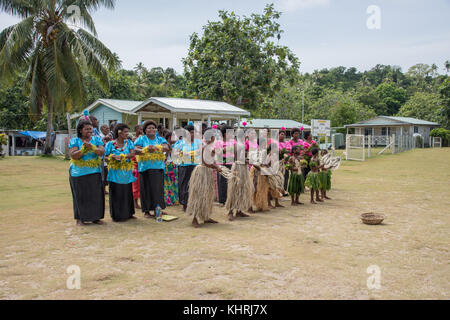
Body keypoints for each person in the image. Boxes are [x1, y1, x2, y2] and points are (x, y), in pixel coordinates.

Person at [68, 120, 105, 226]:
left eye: (91, 129)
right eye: (86, 129)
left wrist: (92, 147)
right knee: (80, 196)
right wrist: (83, 149)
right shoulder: (75, 141)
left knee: (95, 196)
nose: (89, 131)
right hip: (78, 173)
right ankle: (80, 218)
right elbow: (74, 155)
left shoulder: (97, 139)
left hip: (94, 172)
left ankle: (95, 217)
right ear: (80, 130)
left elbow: (102, 152)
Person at [186, 130, 223, 228]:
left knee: (207, 195)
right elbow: (206, 162)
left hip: (207, 172)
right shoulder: (205, 147)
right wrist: (216, 167)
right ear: (211, 138)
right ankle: (195, 218)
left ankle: (205, 216)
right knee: (198, 195)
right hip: (202, 172)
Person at [134, 120, 170, 219]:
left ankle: (157, 210)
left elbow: (166, 147)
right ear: (145, 130)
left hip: (158, 168)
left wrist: (157, 148)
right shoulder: (141, 139)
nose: (151, 129)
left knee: (157, 190)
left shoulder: (160, 139)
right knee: (146, 189)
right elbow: (135, 150)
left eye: (153, 128)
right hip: (145, 168)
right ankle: (146, 212)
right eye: (149, 128)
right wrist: (145, 150)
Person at [104, 124, 137, 222]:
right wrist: (112, 157)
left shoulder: (129, 142)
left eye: (127, 131)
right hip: (115, 172)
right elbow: (105, 157)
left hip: (126, 172)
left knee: (127, 192)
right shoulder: (110, 144)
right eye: (125, 131)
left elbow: (132, 154)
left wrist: (124, 157)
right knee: (117, 193)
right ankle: (117, 215)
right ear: (119, 132)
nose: (127, 133)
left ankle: (129, 213)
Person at [225, 133, 254, 221]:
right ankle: (230, 211)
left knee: (242, 189)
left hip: (243, 168)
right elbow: (236, 158)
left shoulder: (243, 146)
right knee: (234, 189)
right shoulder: (236, 145)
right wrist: (246, 160)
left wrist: (247, 160)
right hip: (237, 168)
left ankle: (239, 210)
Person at [177, 124, 202, 211]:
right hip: (184, 166)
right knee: (184, 185)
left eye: (193, 133)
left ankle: (194, 203)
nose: (192, 134)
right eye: (190, 133)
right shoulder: (180, 142)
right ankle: (185, 204)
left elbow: (201, 150)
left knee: (194, 185)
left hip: (195, 166)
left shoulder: (198, 142)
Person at [215, 125, 235, 206]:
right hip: (222, 164)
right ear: (225, 134)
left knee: (231, 182)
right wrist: (223, 150)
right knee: (222, 182)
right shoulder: (218, 142)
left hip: (231, 164)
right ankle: (223, 200)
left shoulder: (233, 142)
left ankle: (231, 199)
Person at [163, 130, 179, 206]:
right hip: (168, 165)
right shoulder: (165, 145)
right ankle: (169, 200)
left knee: (172, 183)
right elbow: (165, 157)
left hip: (172, 165)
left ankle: (173, 199)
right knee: (168, 183)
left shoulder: (172, 145)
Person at [131, 125, 143, 209]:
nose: (141, 130)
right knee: (135, 184)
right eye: (140, 129)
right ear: (136, 130)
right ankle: (135, 202)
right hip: (135, 163)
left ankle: (138, 201)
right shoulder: (134, 139)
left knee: (139, 185)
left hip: (141, 163)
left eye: (142, 129)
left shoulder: (143, 138)